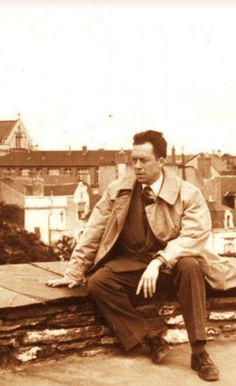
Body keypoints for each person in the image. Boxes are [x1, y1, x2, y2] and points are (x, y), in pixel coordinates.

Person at [47, 130, 236, 382]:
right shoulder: (118, 190)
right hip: (134, 265)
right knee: (98, 283)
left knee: (191, 265)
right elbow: (94, 230)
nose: (136, 166)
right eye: (134, 159)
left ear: (161, 161)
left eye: (143, 160)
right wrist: (74, 270)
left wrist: (160, 261)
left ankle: (199, 351)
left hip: (174, 264)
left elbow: (194, 236)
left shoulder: (188, 193)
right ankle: (150, 337)